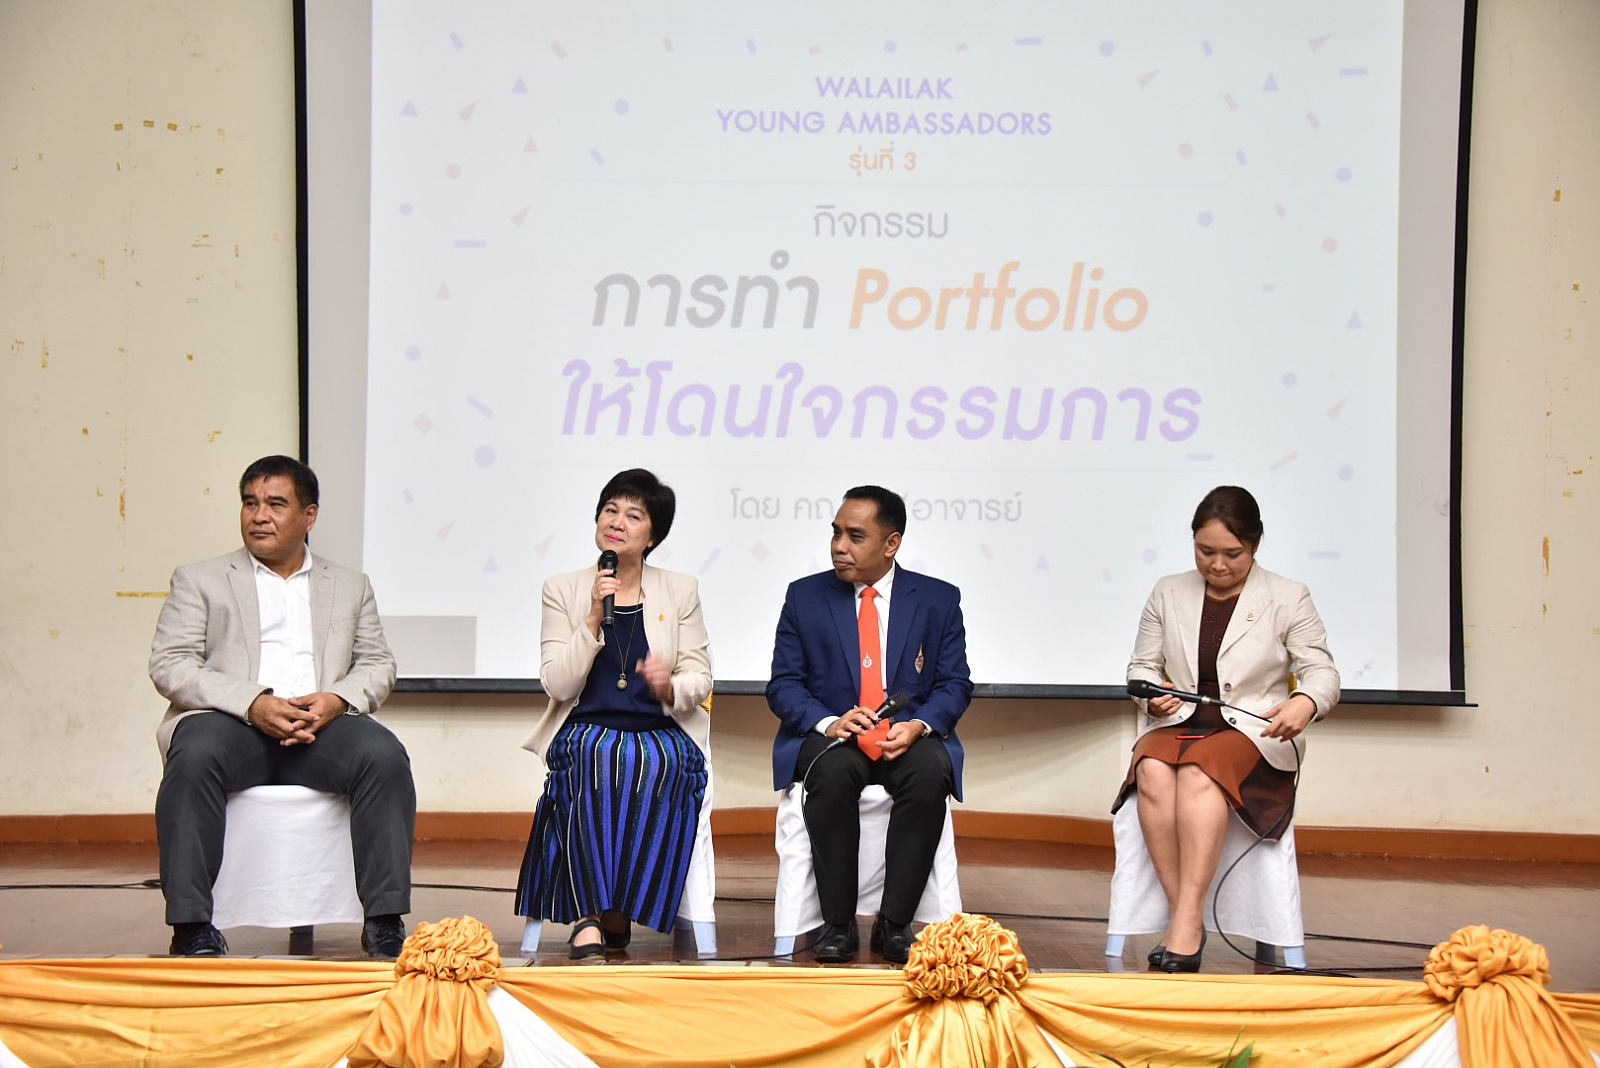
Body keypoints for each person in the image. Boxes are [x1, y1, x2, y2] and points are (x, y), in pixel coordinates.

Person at [149, 455, 414, 957]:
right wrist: (252, 703)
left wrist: (336, 699)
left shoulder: (350, 585)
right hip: (231, 724)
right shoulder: (200, 579)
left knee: (382, 754)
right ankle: (191, 927)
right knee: (195, 752)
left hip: (322, 727)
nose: (259, 516)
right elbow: (170, 664)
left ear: (309, 516)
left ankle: (383, 921)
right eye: (249, 503)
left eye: (275, 504)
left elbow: (378, 664)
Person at [1115, 485, 1340, 972]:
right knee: (1150, 767)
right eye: (1205, 551)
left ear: (1255, 544)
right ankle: (1186, 915)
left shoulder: (1287, 596)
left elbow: (1322, 673)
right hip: (1182, 723)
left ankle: (1183, 926)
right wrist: (1150, 696)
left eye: (1232, 554)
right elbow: (1142, 667)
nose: (1217, 565)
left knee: (1199, 770)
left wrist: (1304, 702)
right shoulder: (1167, 591)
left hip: (1254, 733)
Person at [766, 485, 973, 965]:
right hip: (836, 737)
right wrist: (829, 722)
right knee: (832, 774)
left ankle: (894, 923)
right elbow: (784, 685)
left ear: (891, 543)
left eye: (855, 536)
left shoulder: (938, 599)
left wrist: (919, 725)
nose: (839, 546)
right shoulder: (805, 597)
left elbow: (955, 684)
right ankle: (838, 924)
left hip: (905, 735)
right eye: (836, 533)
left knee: (930, 773)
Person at [514, 469, 713, 959]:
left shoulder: (680, 589)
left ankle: (621, 904)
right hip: (586, 726)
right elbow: (557, 684)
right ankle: (588, 915)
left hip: (660, 727)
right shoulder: (563, 588)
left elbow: (701, 676)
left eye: (633, 515)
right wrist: (590, 621)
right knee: (597, 758)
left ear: (653, 536)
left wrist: (670, 687)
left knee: (654, 765)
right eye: (610, 510)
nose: (617, 522)